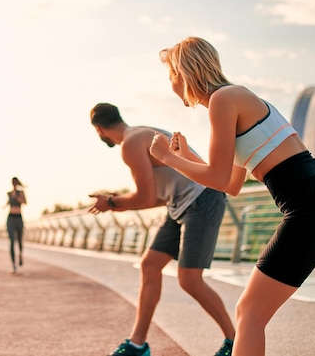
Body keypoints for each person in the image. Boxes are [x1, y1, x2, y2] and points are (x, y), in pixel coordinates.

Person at [150, 36, 315, 356]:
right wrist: (185, 155)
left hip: (312, 203)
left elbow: (217, 177)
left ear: (181, 74)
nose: (171, 83)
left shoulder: (223, 100)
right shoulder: (236, 98)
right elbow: (230, 183)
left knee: (249, 314)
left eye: (170, 74)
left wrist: (169, 159)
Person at [89, 103, 235, 356]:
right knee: (150, 265)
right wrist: (119, 201)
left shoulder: (131, 144)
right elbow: (156, 198)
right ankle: (137, 344)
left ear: (99, 129)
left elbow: (144, 198)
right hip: (180, 204)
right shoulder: (140, 134)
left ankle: (235, 342)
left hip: (202, 199)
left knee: (189, 279)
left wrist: (111, 203)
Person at [6, 176, 27, 273]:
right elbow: (8, 203)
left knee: (19, 240)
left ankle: (20, 255)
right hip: (10, 218)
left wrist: (17, 196)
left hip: (19, 217)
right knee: (11, 241)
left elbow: (24, 202)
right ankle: (14, 264)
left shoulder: (20, 192)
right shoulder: (9, 193)